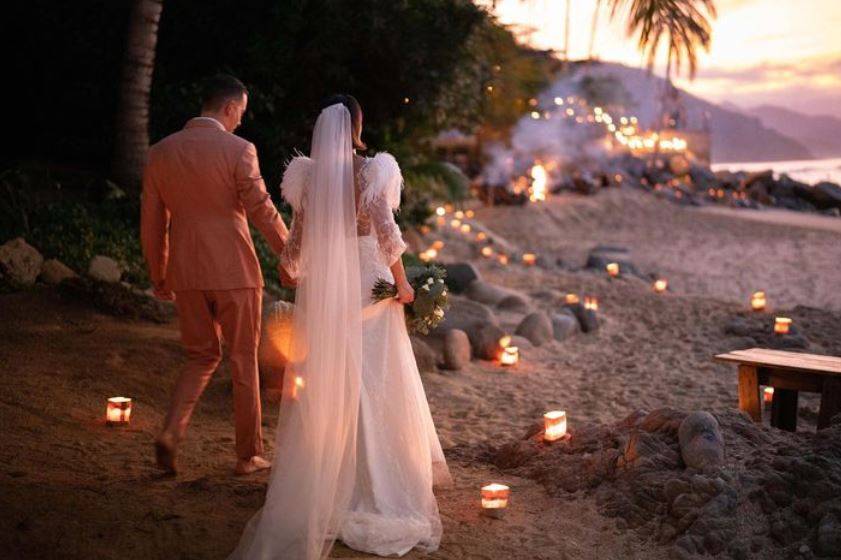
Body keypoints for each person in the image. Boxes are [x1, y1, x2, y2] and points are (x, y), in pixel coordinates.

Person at [229, 95, 450, 559]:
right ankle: (376, 484)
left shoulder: (310, 179)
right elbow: (388, 235)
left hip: (330, 291)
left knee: (332, 379)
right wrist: (405, 287)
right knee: (375, 380)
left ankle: (330, 480)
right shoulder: (373, 171)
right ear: (358, 125)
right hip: (369, 284)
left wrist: (294, 273)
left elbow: (295, 249)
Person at [141, 74, 293, 476]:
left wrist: (159, 273)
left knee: (201, 356)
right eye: (240, 112)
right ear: (229, 108)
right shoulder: (239, 149)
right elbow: (261, 209)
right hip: (235, 271)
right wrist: (291, 254)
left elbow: (152, 224)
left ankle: (171, 433)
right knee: (243, 360)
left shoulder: (161, 152)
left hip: (186, 273)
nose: (241, 121)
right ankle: (248, 456)